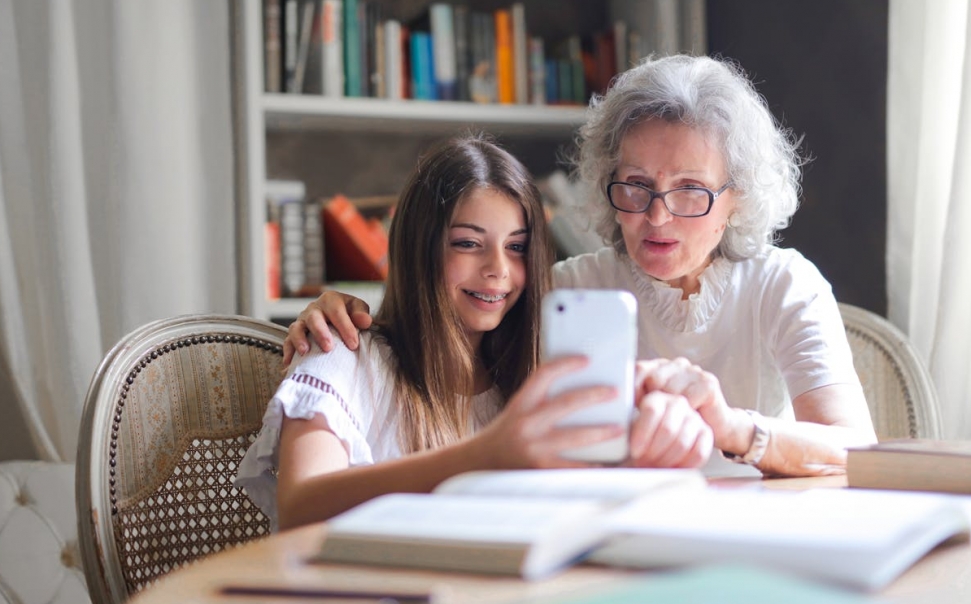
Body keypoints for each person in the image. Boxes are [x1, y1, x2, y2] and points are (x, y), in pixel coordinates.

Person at [285, 55, 878, 478]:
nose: (657, 217)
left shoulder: (784, 283)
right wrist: (338, 310)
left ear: (737, 198)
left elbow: (855, 449)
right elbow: (446, 331)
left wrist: (731, 428)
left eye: (691, 191)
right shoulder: (565, 291)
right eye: (636, 186)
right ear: (605, 183)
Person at [236, 135, 715, 531]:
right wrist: (486, 455)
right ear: (418, 248)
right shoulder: (342, 353)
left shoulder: (530, 377)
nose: (497, 271)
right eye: (467, 244)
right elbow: (300, 506)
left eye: (517, 248)